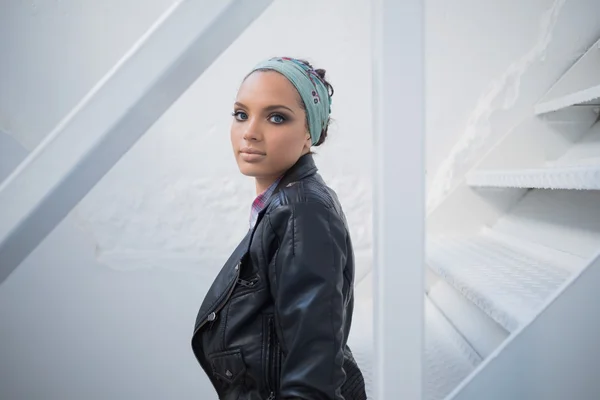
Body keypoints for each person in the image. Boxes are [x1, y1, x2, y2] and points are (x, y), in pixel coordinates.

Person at [191, 56, 367, 400]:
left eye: (276, 117)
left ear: (308, 135)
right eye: (241, 114)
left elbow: (313, 370)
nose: (250, 132)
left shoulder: (302, 211)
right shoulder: (283, 203)